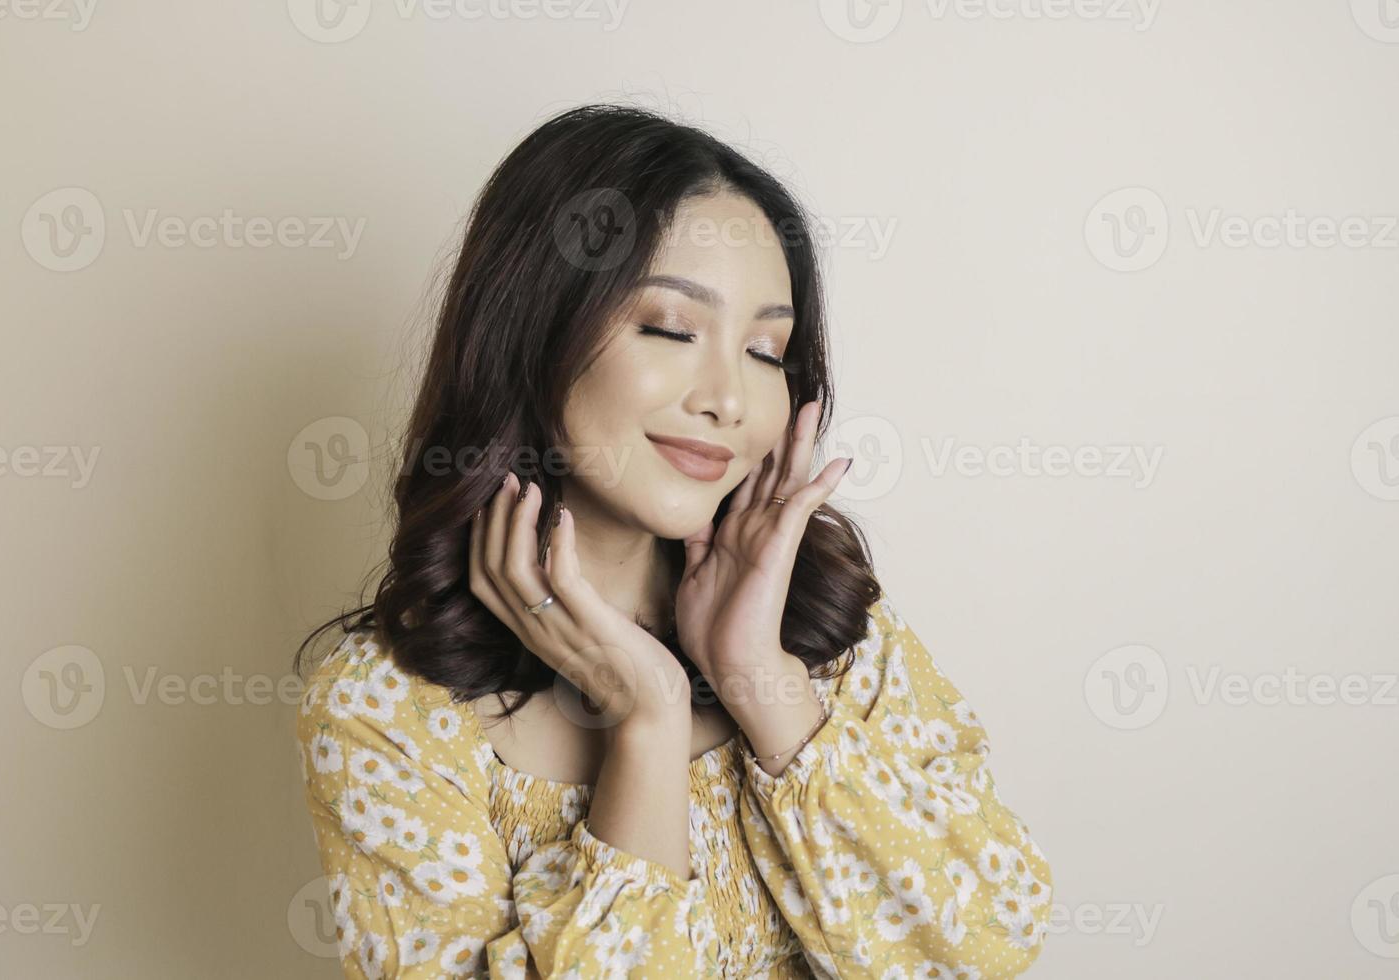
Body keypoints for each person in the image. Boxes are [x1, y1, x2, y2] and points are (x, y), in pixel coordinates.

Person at [292, 102, 1052, 978]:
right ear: (532, 333)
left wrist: (755, 674)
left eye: (768, 349)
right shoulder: (389, 710)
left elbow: (980, 953)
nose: (729, 398)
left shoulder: (827, 628)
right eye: (671, 329)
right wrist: (644, 729)